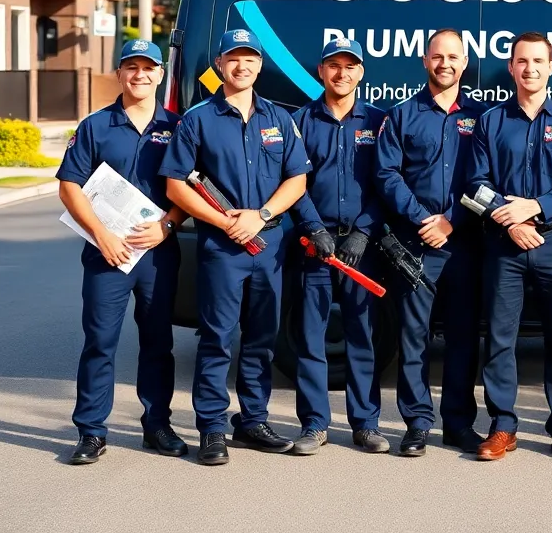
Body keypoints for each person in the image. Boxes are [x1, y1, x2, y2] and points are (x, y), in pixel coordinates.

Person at [159, 28, 311, 466]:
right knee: (217, 338)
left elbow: (297, 179)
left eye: (250, 58)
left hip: (268, 245)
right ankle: (211, 427)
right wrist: (224, 220)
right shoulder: (198, 118)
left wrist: (259, 216)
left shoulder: (281, 118)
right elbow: (175, 184)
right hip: (222, 249)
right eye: (233, 58)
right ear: (220, 64)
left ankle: (252, 421)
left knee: (262, 339)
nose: (241, 65)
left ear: (261, 65)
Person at [57, 40, 188, 465]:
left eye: (148, 68)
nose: (140, 75)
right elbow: (69, 185)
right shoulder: (96, 126)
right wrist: (101, 234)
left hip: (156, 253)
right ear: (119, 73)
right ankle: (91, 431)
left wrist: (168, 225)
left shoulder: (179, 126)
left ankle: (157, 425)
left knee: (158, 342)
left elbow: (192, 190)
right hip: (106, 253)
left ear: (160, 74)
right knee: (100, 342)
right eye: (131, 68)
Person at [467, 32, 552, 461]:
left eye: (538, 61)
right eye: (522, 61)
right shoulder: (490, 121)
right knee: (500, 339)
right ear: (511, 67)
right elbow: (475, 184)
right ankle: (503, 426)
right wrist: (511, 222)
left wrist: (535, 208)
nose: (530, 69)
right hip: (505, 245)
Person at [375, 28, 486, 457]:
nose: (445, 64)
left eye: (453, 57)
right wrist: (423, 218)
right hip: (416, 245)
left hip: (464, 245)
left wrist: (452, 221)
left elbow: (490, 179)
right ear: (425, 60)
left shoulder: (482, 116)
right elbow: (387, 174)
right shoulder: (402, 115)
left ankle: (458, 423)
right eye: (437, 56)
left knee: (462, 338)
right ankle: (417, 422)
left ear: (464, 63)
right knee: (414, 337)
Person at [287, 37, 390, 456]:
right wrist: (314, 228)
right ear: (321, 70)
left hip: (362, 248)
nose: (342, 73)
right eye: (334, 65)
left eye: (350, 66)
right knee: (310, 338)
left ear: (361, 72)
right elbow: (293, 181)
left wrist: (364, 231)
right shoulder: (300, 120)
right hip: (317, 246)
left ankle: (365, 424)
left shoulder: (381, 121)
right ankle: (314, 424)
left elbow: (387, 182)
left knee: (362, 337)